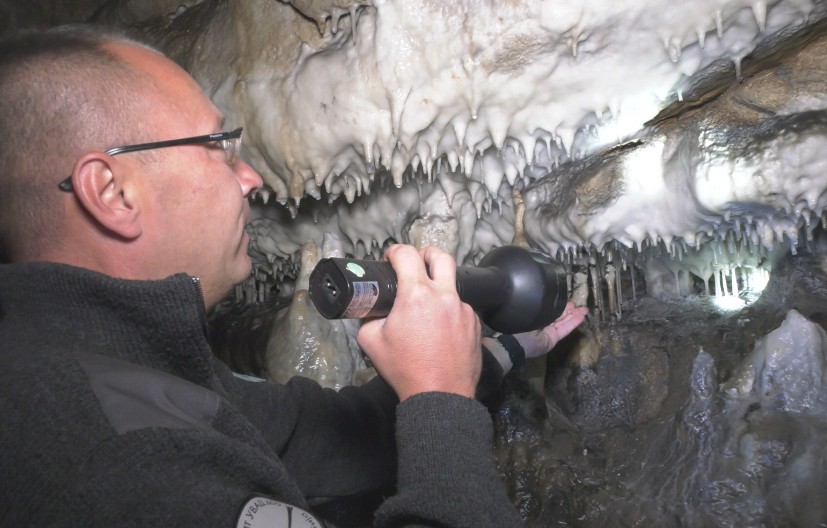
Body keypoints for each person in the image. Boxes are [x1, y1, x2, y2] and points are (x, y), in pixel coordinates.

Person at [0, 25, 588, 527]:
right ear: (112, 192)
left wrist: (500, 351)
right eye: (219, 146)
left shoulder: (140, 372)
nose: (251, 176)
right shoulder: (109, 463)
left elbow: (339, 434)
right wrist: (440, 401)